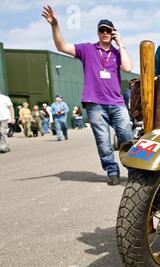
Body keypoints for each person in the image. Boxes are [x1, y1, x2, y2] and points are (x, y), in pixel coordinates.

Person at [43, 5, 134, 186]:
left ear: (113, 32)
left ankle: (134, 172)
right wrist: (55, 26)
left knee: (127, 137)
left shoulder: (117, 53)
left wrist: (121, 43)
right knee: (103, 141)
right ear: (98, 33)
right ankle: (112, 172)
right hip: (95, 103)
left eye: (109, 30)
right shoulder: (87, 49)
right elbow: (61, 46)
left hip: (116, 102)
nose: (106, 33)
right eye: (102, 30)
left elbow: (128, 68)